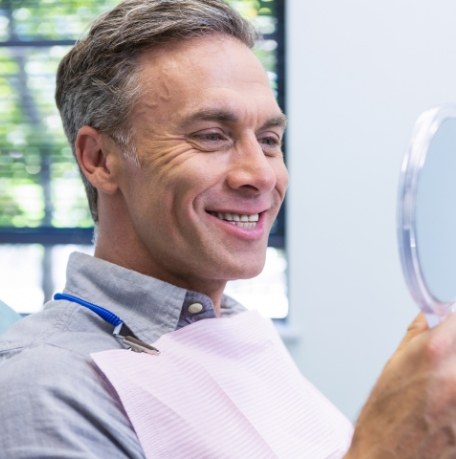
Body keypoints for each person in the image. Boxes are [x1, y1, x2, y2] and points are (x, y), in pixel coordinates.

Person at [2, 0, 456, 457]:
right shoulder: (45, 383)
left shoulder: (237, 331)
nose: (259, 175)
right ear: (99, 159)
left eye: (269, 141)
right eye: (212, 136)